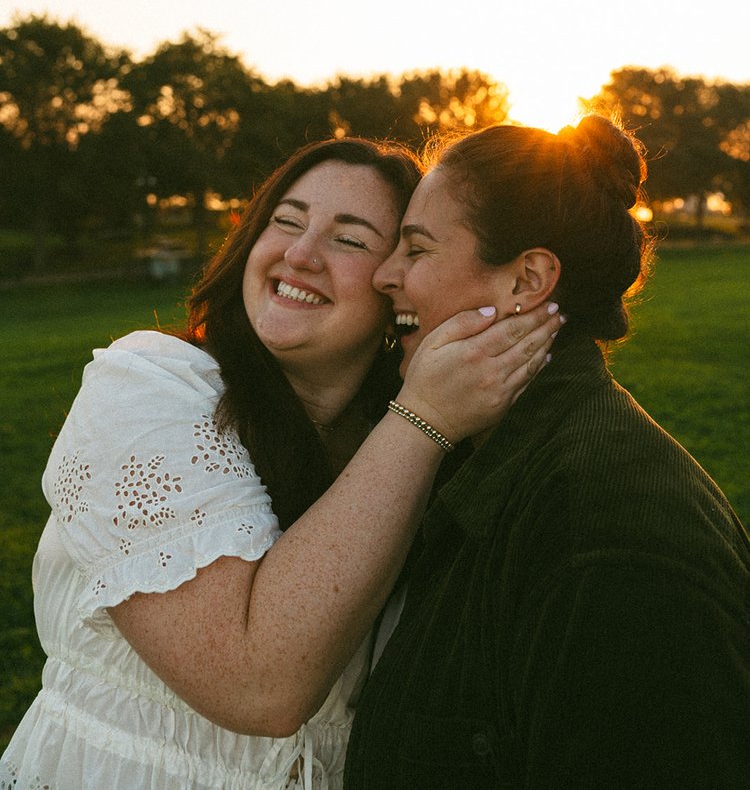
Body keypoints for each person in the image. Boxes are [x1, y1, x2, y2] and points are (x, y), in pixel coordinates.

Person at [0, 136, 562, 790]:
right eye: (286, 221)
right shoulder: (150, 386)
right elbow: (257, 683)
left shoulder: (402, 451)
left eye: (350, 239)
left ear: (397, 284)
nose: (300, 253)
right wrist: (424, 419)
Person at [344, 115, 750, 789]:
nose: (383, 275)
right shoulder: (474, 459)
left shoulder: (604, 538)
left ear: (527, 279)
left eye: (416, 250)